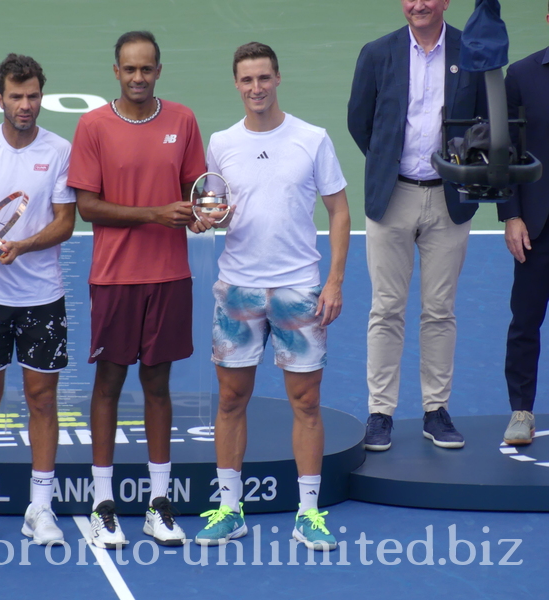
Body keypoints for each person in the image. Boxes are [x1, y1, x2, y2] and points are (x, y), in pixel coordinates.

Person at [191, 42, 350, 551]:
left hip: (299, 288)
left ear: (277, 79)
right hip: (238, 287)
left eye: (263, 78)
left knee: (306, 401)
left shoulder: (312, 138)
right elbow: (213, 211)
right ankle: (229, 507)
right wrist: (207, 220)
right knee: (232, 399)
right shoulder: (221, 144)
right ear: (236, 84)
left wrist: (335, 281)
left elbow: (340, 211)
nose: (256, 88)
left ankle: (309, 513)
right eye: (246, 80)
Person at [68, 30, 206, 549]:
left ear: (159, 71)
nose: (138, 77)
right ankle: (104, 503)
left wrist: (202, 216)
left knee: (158, 386)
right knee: (108, 385)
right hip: (115, 278)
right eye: (130, 69)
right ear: (116, 72)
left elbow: (197, 194)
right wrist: (154, 213)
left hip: (170, 277)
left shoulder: (184, 121)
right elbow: (88, 207)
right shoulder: (93, 126)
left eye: (147, 69)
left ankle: (158, 504)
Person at [348, 0, 486, 452]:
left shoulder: (473, 50)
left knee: (439, 310)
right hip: (393, 197)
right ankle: (380, 413)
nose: (419, 4)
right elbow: (359, 121)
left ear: (445, 2)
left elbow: (487, 121)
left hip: (450, 198)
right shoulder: (376, 52)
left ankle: (435, 411)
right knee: (385, 309)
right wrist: (390, 164)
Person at [0, 54, 75, 545]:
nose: (26, 105)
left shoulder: (61, 150)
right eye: (16, 96)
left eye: (33, 96)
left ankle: (39, 509)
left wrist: (22, 246)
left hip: (42, 296)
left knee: (42, 400)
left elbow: (66, 221)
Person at [497, 6, 549, 446]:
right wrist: (512, 214)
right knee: (525, 322)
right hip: (538, 226)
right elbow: (507, 154)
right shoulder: (522, 75)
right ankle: (522, 412)